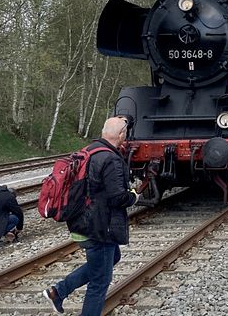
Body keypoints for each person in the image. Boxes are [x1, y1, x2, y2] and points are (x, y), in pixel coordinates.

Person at [44, 116, 139, 316]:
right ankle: (61, 294)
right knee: (100, 282)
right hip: (99, 227)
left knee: (113, 257)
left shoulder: (89, 151)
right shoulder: (111, 159)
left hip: (81, 220)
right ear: (122, 135)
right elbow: (117, 198)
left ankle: (58, 292)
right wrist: (133, 196)